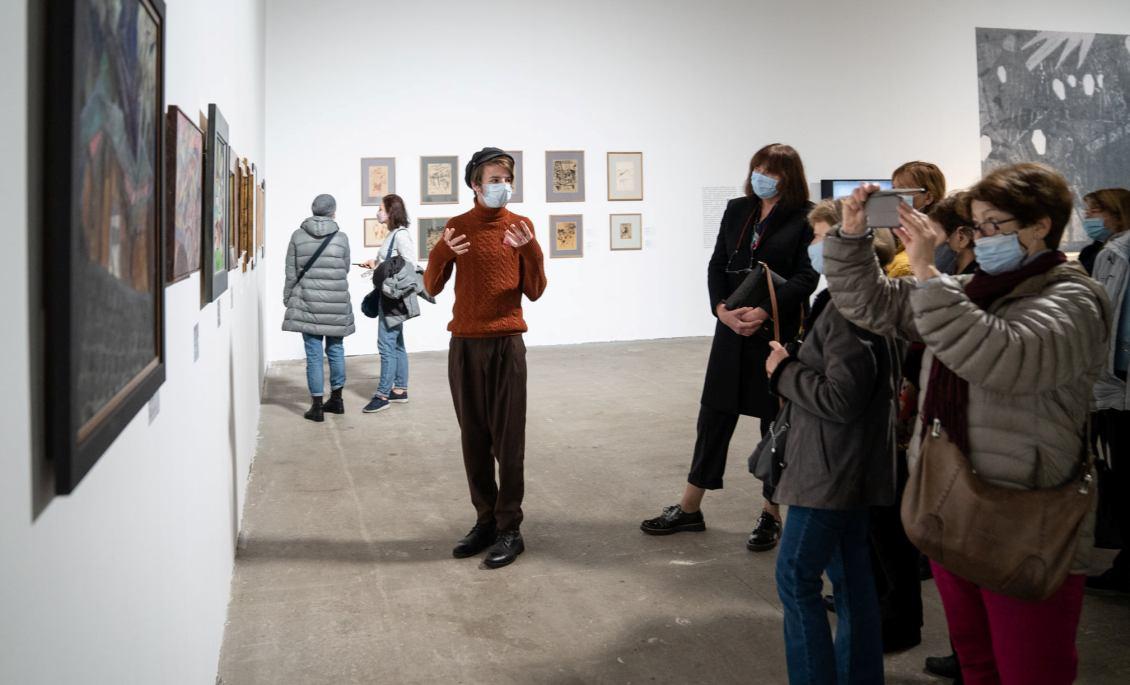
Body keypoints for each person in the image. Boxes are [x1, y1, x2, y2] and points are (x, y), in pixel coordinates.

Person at [826, 162, 1110, 684]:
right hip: (953, 502)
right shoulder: (973, 290)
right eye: (977, 226)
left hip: (1026, 519)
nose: (981, 238)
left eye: (993, 225)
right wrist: (850, 236)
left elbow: (1001, 356)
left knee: (1031, 671)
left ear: (1040, 226)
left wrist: (927, 272)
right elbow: (870, 303)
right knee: (976, 663)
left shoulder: (1074, 299)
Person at [641, 143, 818, 553]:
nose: (761, 176)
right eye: (757, 168)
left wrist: (765, 310)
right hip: (731, 326)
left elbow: (807, 277)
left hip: (774, 330)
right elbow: (717, 263)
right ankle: (690, 507)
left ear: (789, 177)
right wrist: (721, 310)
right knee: (714, 415)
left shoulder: (806, 217)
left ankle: (771, 513)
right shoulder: (739, 209)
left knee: (774, 423)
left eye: (770, 171)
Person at [768, 209, 900, 685]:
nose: (815, 246)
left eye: (825, 237)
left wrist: (784, 370)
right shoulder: (864, 300)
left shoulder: (848, 309)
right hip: (850, 465)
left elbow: (842, 398)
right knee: (851, 580)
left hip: (829, 469)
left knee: (795, 577)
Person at [423, 147, 547, 569]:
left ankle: (511, 527)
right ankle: (486, 520)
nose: (502, 187)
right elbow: (432, 286)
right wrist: (442, 253)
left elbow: (535, 290)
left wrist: (530, 250)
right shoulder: (458, 227)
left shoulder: (521, 227)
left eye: (507, 179)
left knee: (509, 441)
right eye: (494, 180)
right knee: (473, 438)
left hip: (506, 343)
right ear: (475, 185)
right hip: (465, 344)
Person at [1087, 187, 1130, 595]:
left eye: (1095, 211)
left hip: (1118, 383)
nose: (1088, 218)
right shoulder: (1110, 252)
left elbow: (1109, 322)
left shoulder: (1115, 254)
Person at [282, 194, 356, 422]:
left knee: (314, 355)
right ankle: (337, 400)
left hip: (307, 303)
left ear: (313, 210)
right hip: (336, 303)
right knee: (336, 350)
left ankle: (316, 407)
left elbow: (291, 272)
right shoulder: (341, 238)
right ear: (333, 212)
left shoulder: (297, 236)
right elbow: (344, 268)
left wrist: (287, 298)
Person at [359, 194, 417, 414]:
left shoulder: (401, 235)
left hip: (393, 298)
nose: (378, 212)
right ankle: (400, 389)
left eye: (381, 209)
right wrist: (375, 264)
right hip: (389, 297)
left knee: (386, 345)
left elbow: (410, 265)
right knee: (396, 343)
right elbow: (390, 263)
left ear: (391, 211)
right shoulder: (393, 234)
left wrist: (384, 269)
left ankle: (382, 395)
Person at [883, 161, 946, 278]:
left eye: (902, 190)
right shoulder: (901, 232)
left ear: (928, 197)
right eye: (893, 189)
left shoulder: (907, 267)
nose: (894, 196)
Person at [1079, 188, 1130, 275]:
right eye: (1087, 211)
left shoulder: (1125, 254)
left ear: (1119, 217)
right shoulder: (1088, 253)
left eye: (1094, 211)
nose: (1087, 216)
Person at [929, 192, 978, 276]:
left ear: (962, 238)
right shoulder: (953, 274)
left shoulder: (975, 281)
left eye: (932, 236)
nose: (925, 242)